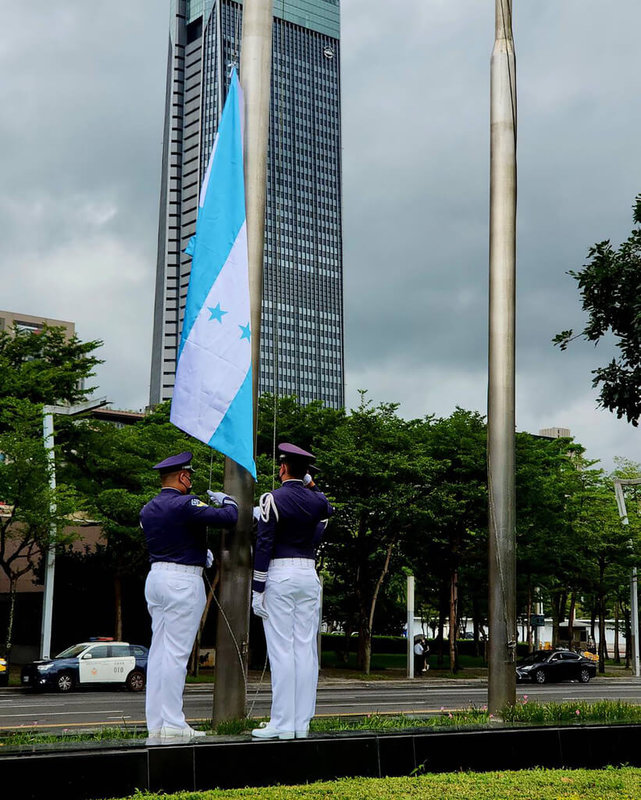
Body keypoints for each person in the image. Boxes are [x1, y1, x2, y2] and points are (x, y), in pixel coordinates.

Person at [140, 451, 238, 742]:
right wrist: (227, 499)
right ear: (182, 477)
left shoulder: (148, 508)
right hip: (182, 582)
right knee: (176, 654)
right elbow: (229, 518)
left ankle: (156, 722)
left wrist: (197, 552)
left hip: (156, 577)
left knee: (158, 653)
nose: (191, 482)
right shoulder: (186, 503)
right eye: (190, 477)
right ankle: (173, 721)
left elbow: (173, 536)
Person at [251, 443, 333, 740]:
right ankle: (302, 722)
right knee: (305, 650)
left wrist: (257, 587)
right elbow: (327, 512)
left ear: (282, 468)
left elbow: (264, 544)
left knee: (282, 650)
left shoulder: (271, 499)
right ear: (307, 473)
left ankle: (283, 723)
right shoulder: (318, 501)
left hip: (281, 575)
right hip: (308, 573)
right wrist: (310, 482)